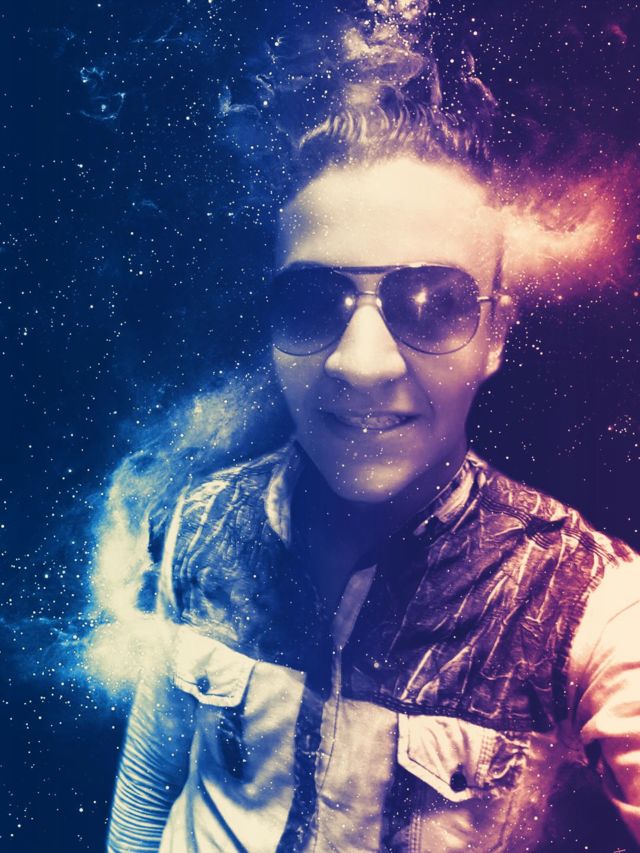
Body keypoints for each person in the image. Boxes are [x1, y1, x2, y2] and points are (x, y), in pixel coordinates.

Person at [106, 4, 640, 851]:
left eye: (433, 302)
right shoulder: (197, 522)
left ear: (497, 334)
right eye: (312, 300)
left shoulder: (588, 606)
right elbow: (149, 780)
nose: (361, 363)